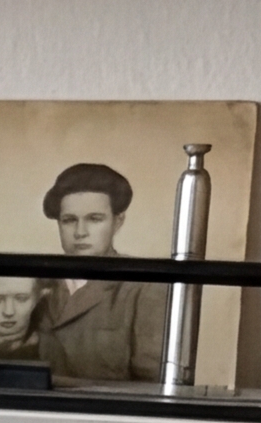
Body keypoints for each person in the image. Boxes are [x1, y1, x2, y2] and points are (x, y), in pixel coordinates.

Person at [35, 162, 166, 382]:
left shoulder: (144, 286)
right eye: (69, 220)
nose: (80, 232)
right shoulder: (39, 282)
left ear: (117, 221)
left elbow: (151, 383)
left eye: (94, 219)